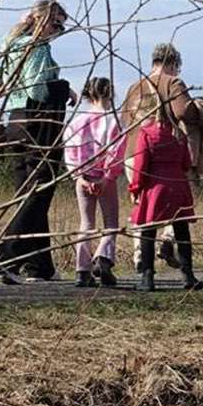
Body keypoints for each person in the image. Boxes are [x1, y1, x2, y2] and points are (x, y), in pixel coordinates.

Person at [0, 0, 71, 283]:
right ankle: (5, 255)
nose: (57, 30)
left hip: (14, 120)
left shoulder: (12, 45)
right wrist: (63, 89)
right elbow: (37, 90)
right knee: (41, 190)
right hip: (37, 122)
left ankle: (39, 266)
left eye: (61, 26)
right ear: (39, 20)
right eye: (54, 23)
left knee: (30, 193)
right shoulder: (37, 47)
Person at [127, 105, 202, 293]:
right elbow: (187, 163)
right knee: (182, 230)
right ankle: (188, 276)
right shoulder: (180, 135)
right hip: (178, 185)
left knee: (148, 231)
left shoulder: (147, 133)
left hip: (155, 187)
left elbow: (141, 164)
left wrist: (135, 188)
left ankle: (147, 276)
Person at [63, 77, 124, 288]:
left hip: (83, 178)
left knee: (86, 223)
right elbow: (116, 153)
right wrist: (107, 177)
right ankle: (102, 257)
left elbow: (69, 152)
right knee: (110, 222)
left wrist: (78, 176)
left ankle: (82, 270)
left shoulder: (76, 122)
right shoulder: (114, 121)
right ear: (110, 93)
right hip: (104, 178)